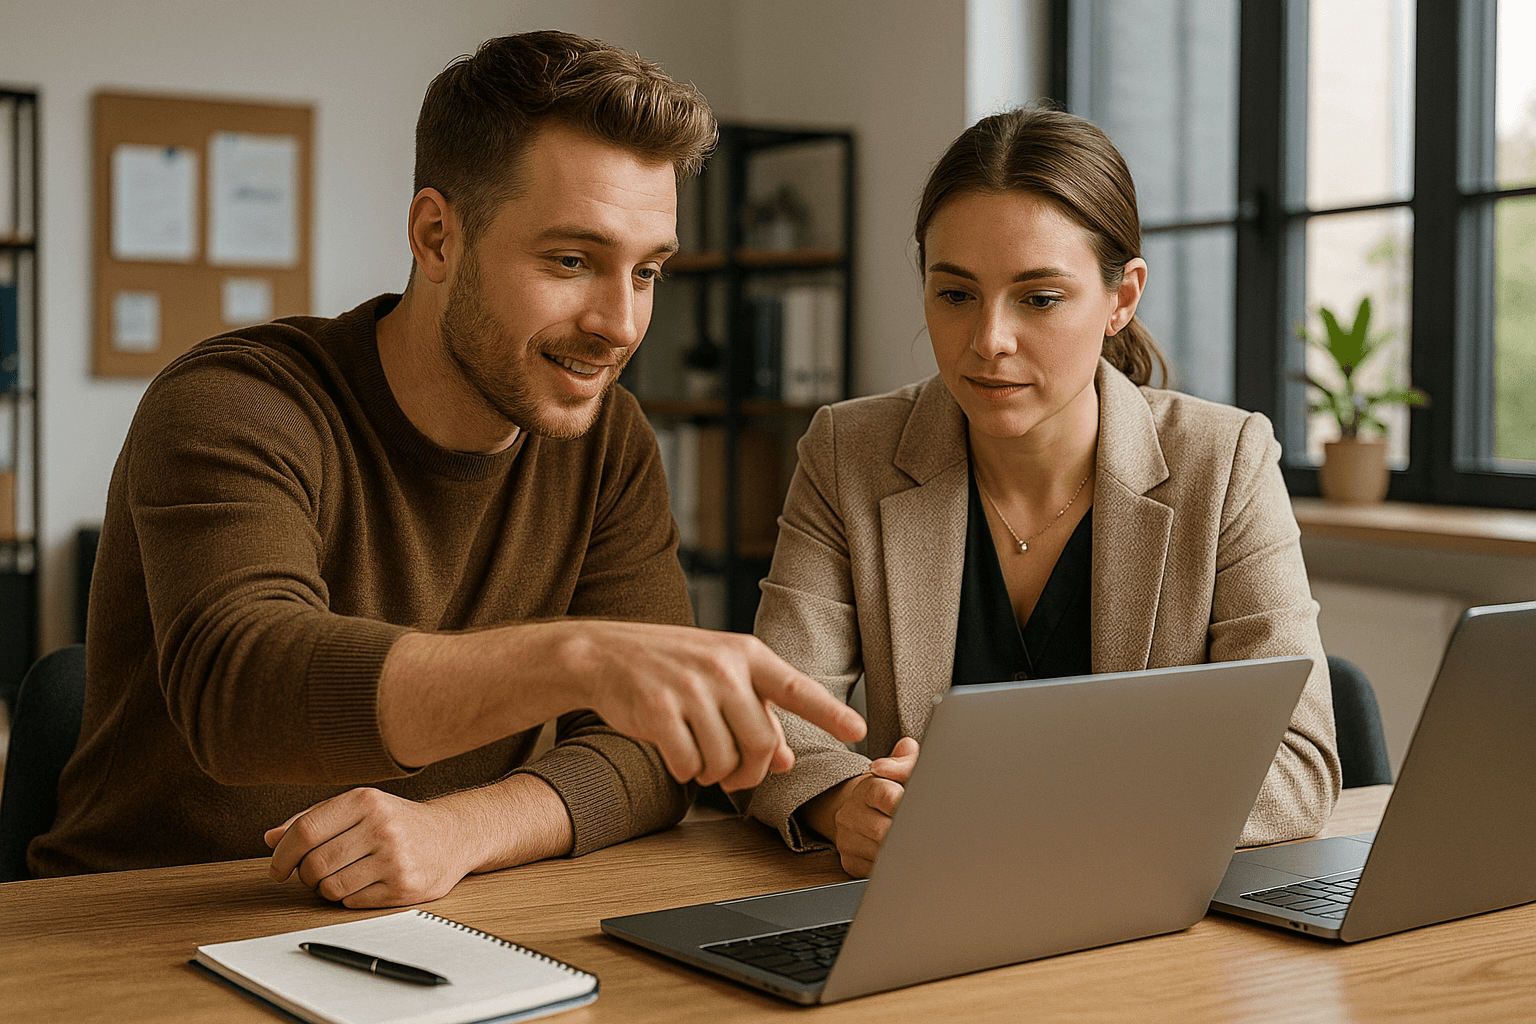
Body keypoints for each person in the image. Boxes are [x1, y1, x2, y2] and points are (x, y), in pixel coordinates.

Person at [34, 31, 863, 904]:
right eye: (572, 261)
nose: (621, 324)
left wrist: (461, 829)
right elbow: (241, 687)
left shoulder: (607, 440)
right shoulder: (235, 401)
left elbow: (650, 754)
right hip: (132, 922)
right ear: (437, 237)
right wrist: (581, 657)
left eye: (648, 271)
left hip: (418, 928)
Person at [741, 106, 1340, 877]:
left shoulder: (1223, 461)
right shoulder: (848, 451)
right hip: (926, 915)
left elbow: (1299, 765)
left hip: (1140, 922)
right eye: (955, 295)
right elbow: (773, 721)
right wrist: (845, 803)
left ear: (1122, 297)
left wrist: (1044, 815)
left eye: (1039, 298)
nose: (989, 339)